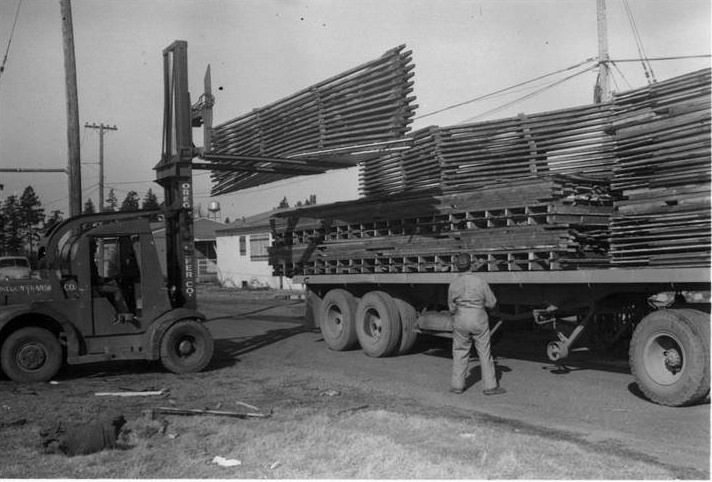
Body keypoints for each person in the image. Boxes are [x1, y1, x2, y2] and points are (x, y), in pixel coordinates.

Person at [448, 253, 505, 396]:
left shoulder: (453, 284)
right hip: (478, 318)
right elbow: (491, 303)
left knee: (460, 351)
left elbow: (451, 307)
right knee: (484, 353)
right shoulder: (480, 281)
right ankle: (490, 387)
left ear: (457, 266)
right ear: (471, 264)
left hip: (461, 319)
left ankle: (457, 385)